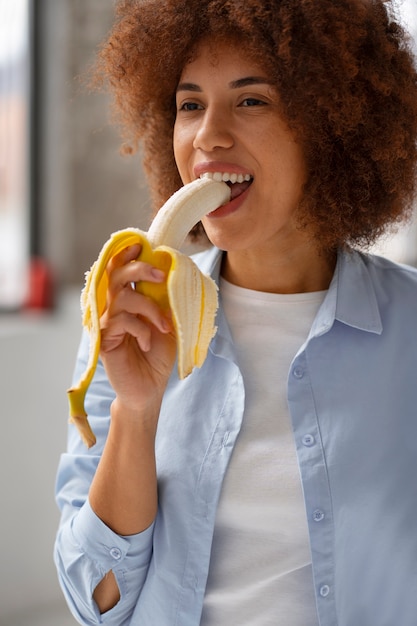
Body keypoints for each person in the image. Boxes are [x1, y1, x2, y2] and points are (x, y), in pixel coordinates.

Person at [54, 1, 417, 625]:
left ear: (330, 125)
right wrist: (138, 412)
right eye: (190, 105)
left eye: (252, 101)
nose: (207, 136)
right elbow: (97, 601)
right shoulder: (128, 318)